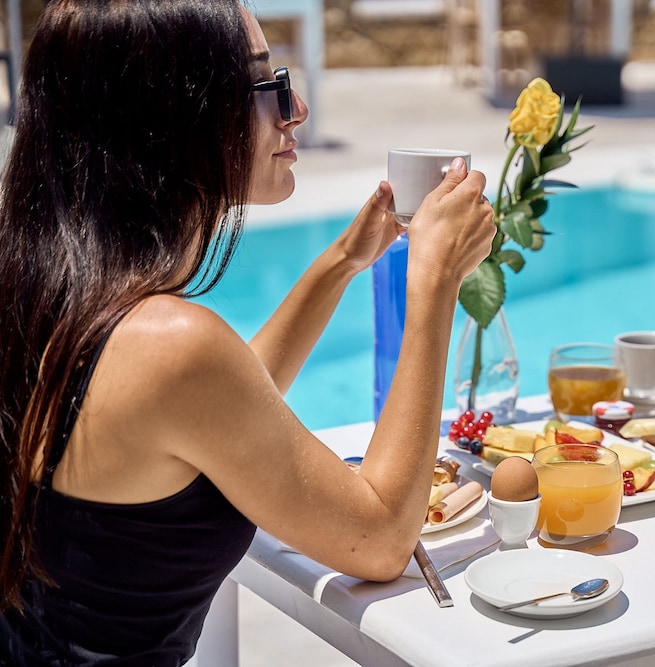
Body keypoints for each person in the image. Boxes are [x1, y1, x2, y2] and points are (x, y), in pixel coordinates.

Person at [0, 0, 495, 663]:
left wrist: (343, 261)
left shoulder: (55, 297)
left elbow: (224, 406)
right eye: (267, 84)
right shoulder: (168, 344)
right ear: (173, 110)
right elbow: (380, 539)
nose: (297, 110)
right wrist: (434, 281)